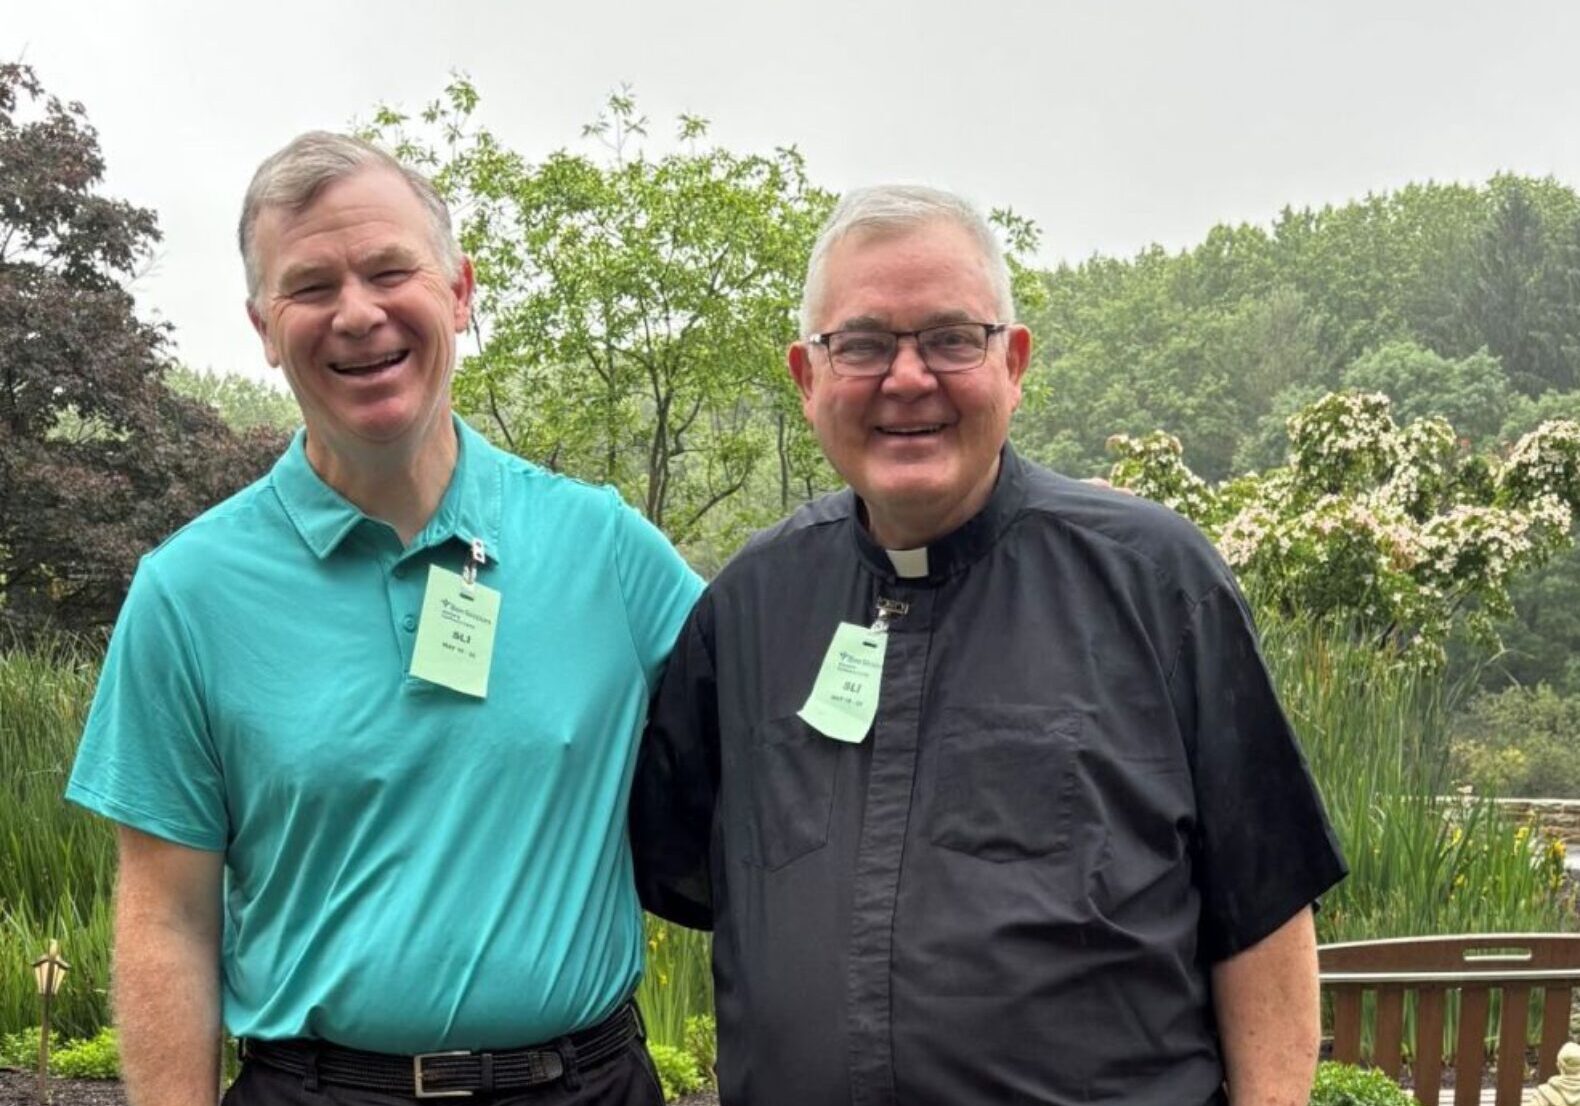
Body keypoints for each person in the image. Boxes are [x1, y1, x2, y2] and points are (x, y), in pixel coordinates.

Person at [632, 184, 1348, 1106]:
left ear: (1012, 362)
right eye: (861, 343)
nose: (906, 378)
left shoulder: (1155, 582)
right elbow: (679, 863)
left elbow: (1265, 906)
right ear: (807, 379)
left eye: (949, 338)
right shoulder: (747, 610)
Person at [66, 132, 700, 1106]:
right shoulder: (187, 594)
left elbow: (781, 723)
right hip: (319, 1086)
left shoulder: (602, 547)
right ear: (264, 326)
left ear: (458, 290)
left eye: (389, 270)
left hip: (584, 1081)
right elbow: (168, 917)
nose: (357, 313)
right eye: (310, 285)